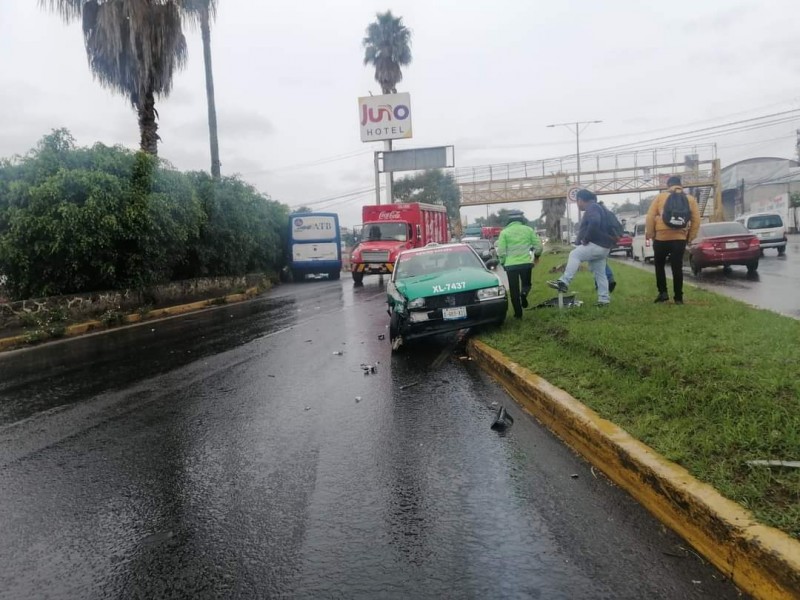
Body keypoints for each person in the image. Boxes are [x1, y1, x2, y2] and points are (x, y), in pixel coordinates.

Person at [547, 189, 615, 306]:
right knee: (600, 274)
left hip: (596, 244)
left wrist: (586, 239)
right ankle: (604, 300)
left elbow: (594, 222)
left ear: (580, 200)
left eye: (577, 202)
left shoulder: (592, 208)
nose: (578, 205)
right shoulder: (600, 208)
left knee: (575, 254)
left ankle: (564, 281)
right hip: (605, 246)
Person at [645, 175, 700, 304]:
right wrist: (690, 237)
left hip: (661, 237)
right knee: (677, 267)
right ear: (680, 185)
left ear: (668, 185)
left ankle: (663, 293)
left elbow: (650, 217)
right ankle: (678, 298)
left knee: (659, 265)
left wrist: (652, 234)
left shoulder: (660, 197)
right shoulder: (690, 199)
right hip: (679, 237)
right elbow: (696, 220)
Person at [496, 210, 543, 319]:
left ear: (509, 220)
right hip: (526, 264)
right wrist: (536, 256)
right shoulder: (528, 230)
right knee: (526, 285)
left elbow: (501, 251)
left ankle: (518, 314)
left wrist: (503, 262)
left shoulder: (504, 232)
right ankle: (524, 294)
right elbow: (539, 247)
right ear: (522, 219)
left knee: (513, 290)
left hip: (511, 266)